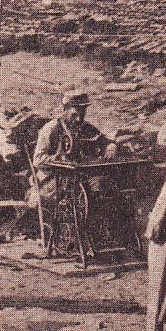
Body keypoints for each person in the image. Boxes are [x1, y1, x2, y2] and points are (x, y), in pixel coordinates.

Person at [31, 92, 135, 252]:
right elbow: (38, 160)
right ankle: (86, 240)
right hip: (53, 181)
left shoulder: (85, 127)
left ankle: (106, 239)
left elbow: (106, 141)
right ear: (64, 110)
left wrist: (111, 147)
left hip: (77, 177)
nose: (79, 119)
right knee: (88, 193)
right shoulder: (51, 129)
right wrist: (58, 158)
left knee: (105, 186)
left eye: (82, 114)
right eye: (74, 115)